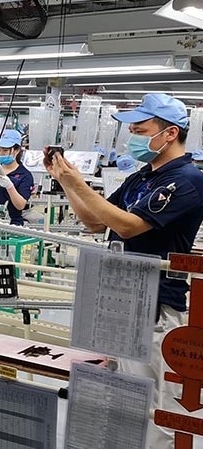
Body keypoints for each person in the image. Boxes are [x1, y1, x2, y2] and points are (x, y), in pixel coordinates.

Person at [44, 93, 203, 449]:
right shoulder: (141, 177)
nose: (131, 135)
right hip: (122, 298)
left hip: (157, 307)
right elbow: (94, 223)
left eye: (140, 128)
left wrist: (81, 184)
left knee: (160, 405)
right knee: (124, 395)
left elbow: (129, 226)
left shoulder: (188, 180)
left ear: (169, 133)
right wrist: (67, 182)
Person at [0, 129, 34, 226]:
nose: (1, 153)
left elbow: (20, 205)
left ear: (16, 150)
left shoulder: (24, 175)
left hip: (12, 225)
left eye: (5, 150)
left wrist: (9, 186)